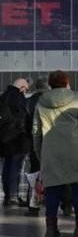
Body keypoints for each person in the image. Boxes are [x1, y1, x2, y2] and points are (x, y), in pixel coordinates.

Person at [31, 71, 78, 237]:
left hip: (51, 152)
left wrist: (40, 153)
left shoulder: (40, 103)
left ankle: (51, 228)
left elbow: (36, 132)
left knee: (52, 190)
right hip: (75, 151)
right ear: (67, 83)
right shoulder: (77, 101)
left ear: (50, 84)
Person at [1, 78, 31, 207]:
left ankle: (8, 195)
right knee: (15, 168)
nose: (25, 92)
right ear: (22, 87)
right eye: (26, 89)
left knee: (7, 168)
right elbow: (23, 118)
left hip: (4, 140)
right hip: (17, 139)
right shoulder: (18, 98)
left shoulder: (3, 97)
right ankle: (13, 196)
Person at [24, 78, 49, 216]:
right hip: (52, 142)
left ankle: (34, 206)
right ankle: (65, 204)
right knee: (58, 174)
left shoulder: (29, 101)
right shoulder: (51, 101)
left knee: (35, 174)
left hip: (34, 143)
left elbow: (27, 124)